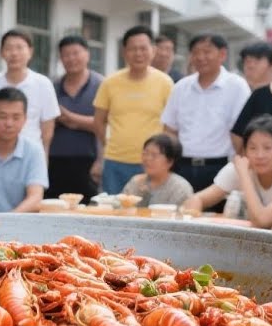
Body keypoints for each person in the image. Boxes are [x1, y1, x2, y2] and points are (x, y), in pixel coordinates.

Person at [160, 33, 248, 196]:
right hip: (182, 166)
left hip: (220, 168)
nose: (200, 57)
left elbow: (242, 133)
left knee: (217, 219)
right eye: (195, 52)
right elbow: (169, 130)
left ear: (222, 54)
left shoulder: (237, 86)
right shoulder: (181, 87)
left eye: (207, 52)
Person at [93, 26, 175, 194]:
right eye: (133, 49)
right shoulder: (110, 82)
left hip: (152, 163)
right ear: (124, 52)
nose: (138, 54)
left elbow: (170, 126)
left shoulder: (165, 83)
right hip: (115, 161)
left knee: (147, 214)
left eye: (143, 48)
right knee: (113, 212)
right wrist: (108, 145)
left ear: (153, 50)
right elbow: (98, 122)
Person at [184, 115, 272, 231]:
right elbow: (197, 199)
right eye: (252, 148)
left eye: (267, 148)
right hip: (253, 244)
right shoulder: (242, 166)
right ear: (245, 151)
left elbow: (262, 221)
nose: (259, 155)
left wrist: (244, 175)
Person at [0, 30, 60, 153]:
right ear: (1, 53)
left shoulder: (43, 84)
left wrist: (43, 160)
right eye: (9, 48)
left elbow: (47, 131)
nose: (14, 53)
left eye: (20, 48)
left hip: (30, 155)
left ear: (30, 52)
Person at [48, 35, 104, 201]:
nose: (71, 59)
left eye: (76, 53)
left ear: (87, 54)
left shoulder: (101, 85)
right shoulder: (52, 86)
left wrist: (71, 118)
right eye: (66, 54)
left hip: (89, 161)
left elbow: (106, 125)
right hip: (55, 161)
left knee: (87, 212)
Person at [0, 88, 48, 212]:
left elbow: (35, 197)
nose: (9, 123)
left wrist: (8, 220)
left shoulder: (34, 151)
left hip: (17, 223)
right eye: (2, 117)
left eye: (16, 117)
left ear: (25, 119)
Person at [119, 134, 195, 207]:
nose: (147, 159)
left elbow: (183, 216)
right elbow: (121, 211)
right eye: (145, 153)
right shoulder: (135, 182)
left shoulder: (180, 188)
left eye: (154, 155)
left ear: (170, 161)